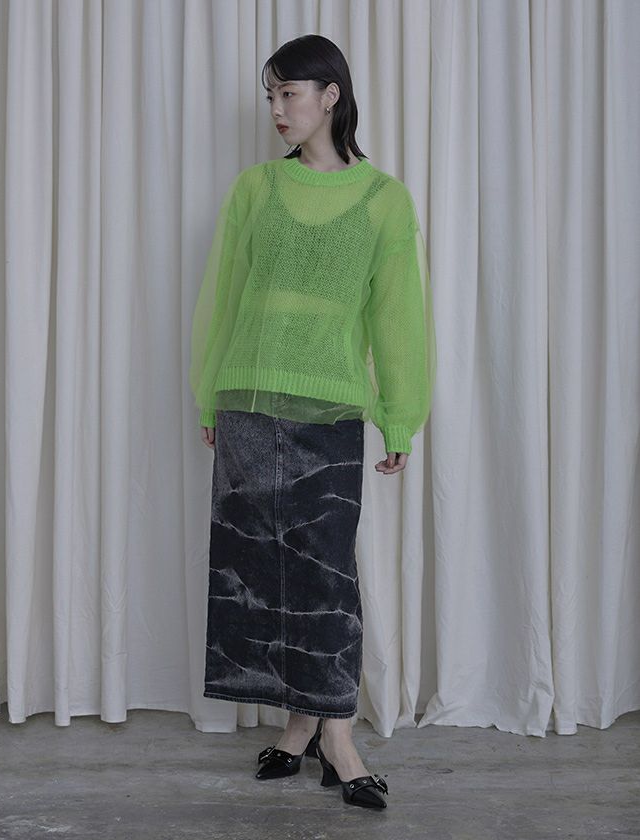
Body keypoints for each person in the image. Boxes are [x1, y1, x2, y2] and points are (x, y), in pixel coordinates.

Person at [189, 34, 436, 810]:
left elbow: (397, 316)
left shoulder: (383, 199)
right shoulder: (256, 188)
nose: (276, 109)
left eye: (288, 93)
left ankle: (337, 737)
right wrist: (209, 396)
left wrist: (400, 416)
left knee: (325, 579)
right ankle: (300, 729)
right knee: (258, 574)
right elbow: (223, 297)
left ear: (331, 95)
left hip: (328, 411)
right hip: (247, 404)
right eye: (270, 96)